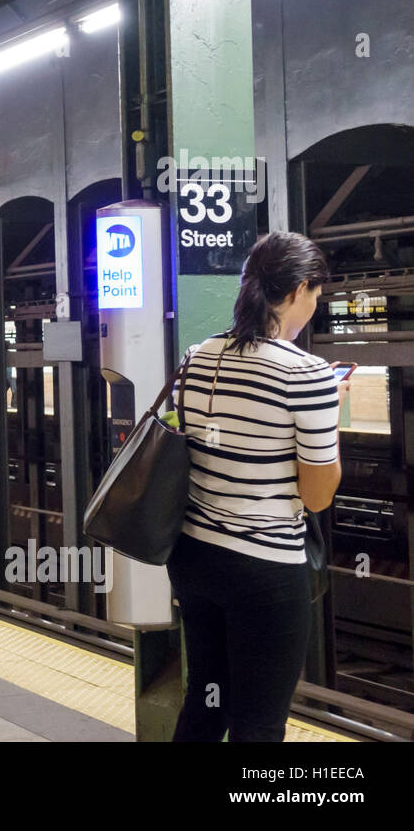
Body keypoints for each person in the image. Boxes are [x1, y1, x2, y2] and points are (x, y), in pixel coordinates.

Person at [168, 231, 343, 742]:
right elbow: (316, 496)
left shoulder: (200, 357)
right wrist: (326, 415)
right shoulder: (308, 376)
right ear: (297, 291)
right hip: (265, 570)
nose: (313, 305)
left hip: (195, 558)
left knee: (205, 702)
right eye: (315, 294)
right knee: (260, 722)